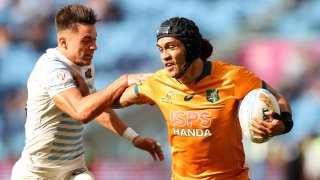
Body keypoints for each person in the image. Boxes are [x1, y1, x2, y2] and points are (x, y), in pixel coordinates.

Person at [112, 17, 294, 179]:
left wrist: (284, 123)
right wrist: (123, 80)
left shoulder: (232, 77)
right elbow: (114, 102)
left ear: (190, 48)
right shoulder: (158, 82)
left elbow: (277, 97)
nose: (164, 56)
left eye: (171, 47)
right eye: (160, 49)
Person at [11, 4, 164, 180]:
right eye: (86, 40)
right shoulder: (52, 68)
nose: (94, 47)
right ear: (63, 42)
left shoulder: (86, 67)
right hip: (38, 172)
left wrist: (134, 138)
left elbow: (97, 107)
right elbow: (81, 112)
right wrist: (122, 81)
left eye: (94, 39)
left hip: (73, 170)